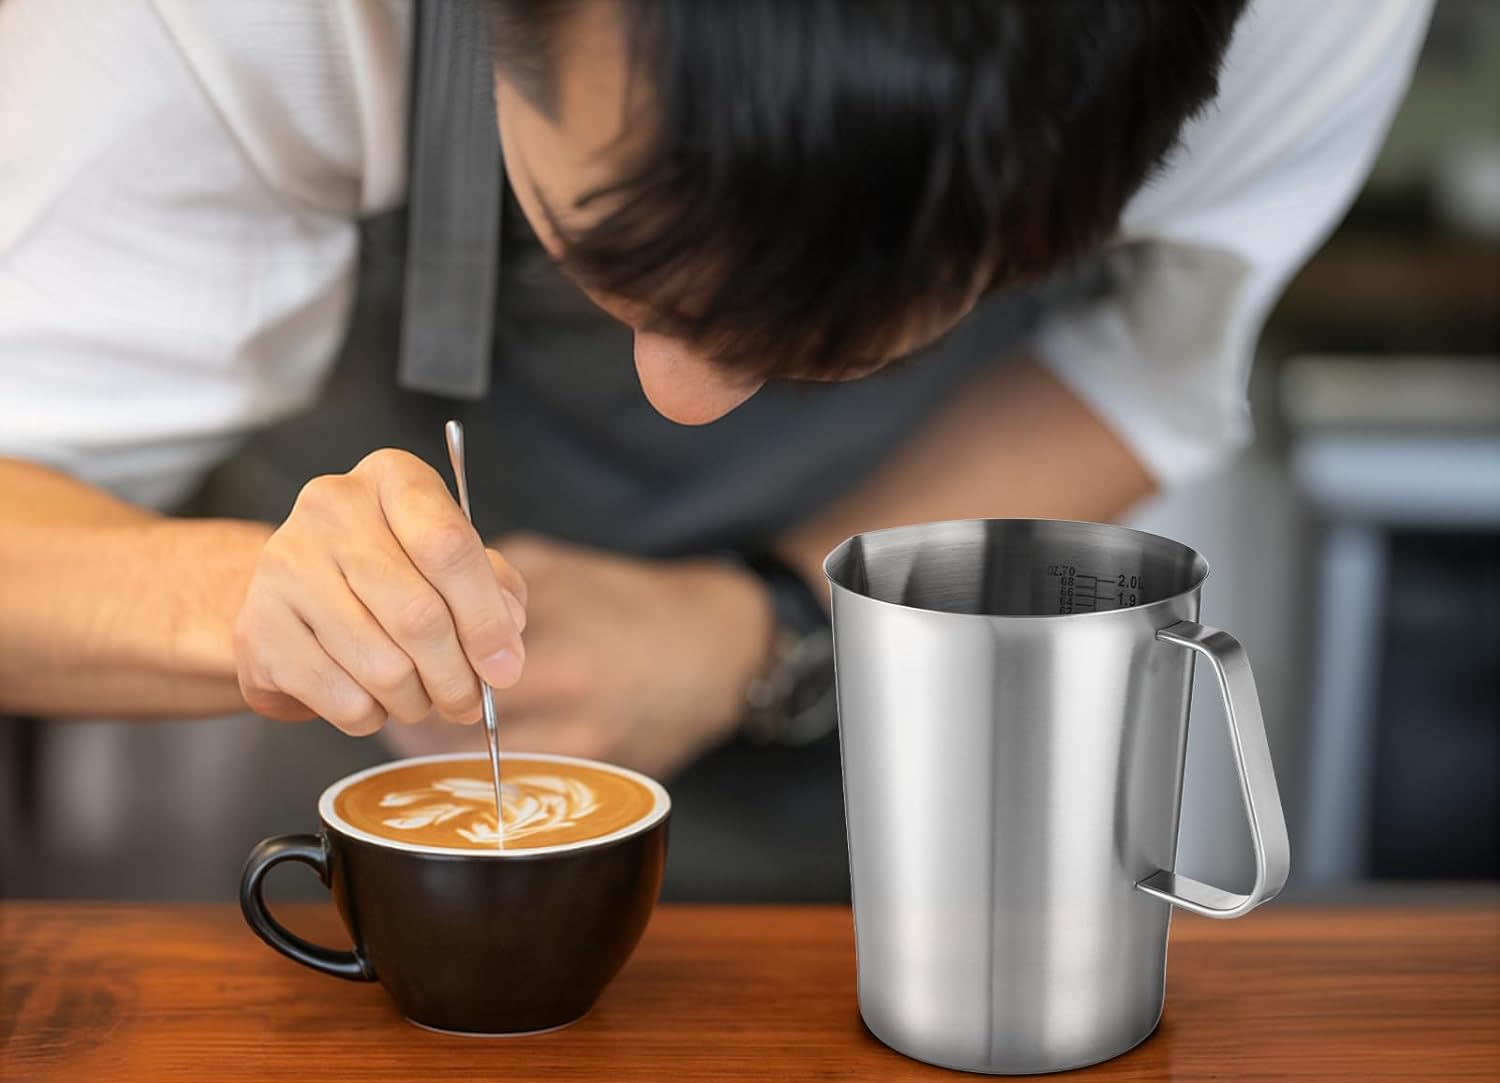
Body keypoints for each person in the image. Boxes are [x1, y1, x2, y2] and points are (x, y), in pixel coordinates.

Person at [0, 0, 1430, 899]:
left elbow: (1137, 372)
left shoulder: (1305, 22)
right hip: (375, 811)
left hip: (903, 800)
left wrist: (770, 622)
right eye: (611, 257)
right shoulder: (246, 22)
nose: (686, 397)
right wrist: (274, 605)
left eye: (844, 334)